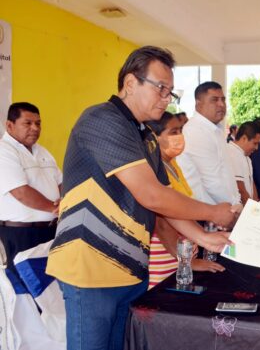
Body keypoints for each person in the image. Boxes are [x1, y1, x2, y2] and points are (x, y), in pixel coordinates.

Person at [46, 46, 236, 350]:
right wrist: (213, 213)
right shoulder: (101, 119)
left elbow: (163, 200)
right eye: (161, 88)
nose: (166, 98)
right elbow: (151, 195)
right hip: (90, 267)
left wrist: (200, 237)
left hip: (131, 267)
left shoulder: (145, 134)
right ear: (130, 83)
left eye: (171, 92)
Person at [146, 112, 225, 289]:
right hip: (166, 257)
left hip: (181, 255)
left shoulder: (172, 165)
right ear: (154, 138)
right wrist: (188, 261)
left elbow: (183, 209)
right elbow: (162, 220)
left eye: (180, 130)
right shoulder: (154, 168)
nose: (180, 136)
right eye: (173, 132)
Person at [0, 102, 62, 273]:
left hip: (49, 232)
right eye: (28, 123)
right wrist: (55, 208)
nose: (35, 128)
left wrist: (65, 200)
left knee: (48, 293)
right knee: (22, 291)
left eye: (38, 123)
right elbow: (20, 192)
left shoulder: (43, 151)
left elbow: (61, 182)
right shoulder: (4, 151)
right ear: (10, 125)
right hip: (19, 234)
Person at [176, 81, 240, 205]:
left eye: (223, 99)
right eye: (214, 100)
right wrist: (235, 207)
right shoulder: (196, 131)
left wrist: (237, 202)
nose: (221, 104)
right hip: (206, 213)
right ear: (198, 104)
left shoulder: (215, 129)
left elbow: (226, 173)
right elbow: (212, 182)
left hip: (222, 209)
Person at [226, 121, 260, 204]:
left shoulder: (245, 156)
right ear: (244, 138)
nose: (256, 148)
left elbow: (251, 183)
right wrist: (252, 211)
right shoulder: (232, 153)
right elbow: (240, 188)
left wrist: (256, 204)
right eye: (255, 143)